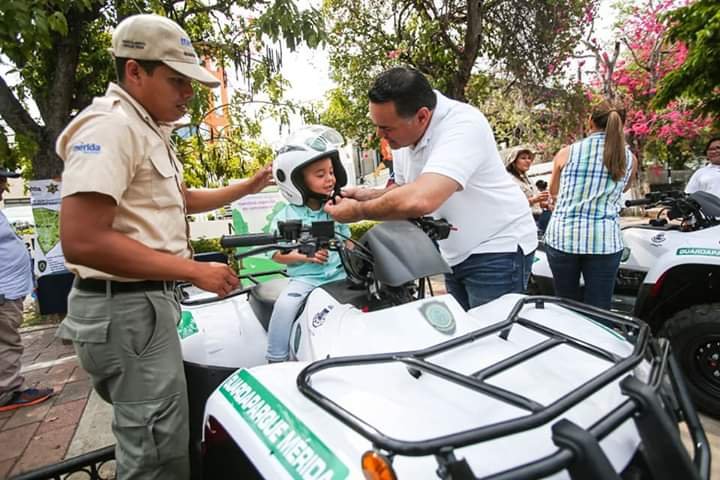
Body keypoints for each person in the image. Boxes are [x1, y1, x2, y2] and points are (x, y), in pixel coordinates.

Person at [55, 14, 272, 480]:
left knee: (158, 434)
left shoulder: (144, 127)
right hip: (127, 311)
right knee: (155, 453)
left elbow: (177, 200)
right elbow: (82, 239)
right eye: (177, 81)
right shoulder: (111, 128)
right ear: (135, 71)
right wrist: (194, 271)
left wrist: (246, 187)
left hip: (141, 307)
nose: (188, 94)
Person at [324, 67, 538, 310]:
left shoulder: (463, 125)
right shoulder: (403, 137)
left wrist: (359, 212)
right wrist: (364, 195)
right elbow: (407, 190)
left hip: (498, 248)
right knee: (465, 335)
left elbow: (420, 200)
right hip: (455, 253)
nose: (379, 135)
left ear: (422, 116)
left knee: (491, 339)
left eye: (387, 128)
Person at [267, 126, 351, 362]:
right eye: (320, 174)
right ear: (297, 181)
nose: (330, 179)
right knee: (284, 307)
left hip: (339, 276)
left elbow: (348, 241)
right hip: (306, 280)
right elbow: (277, 255)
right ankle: (276, 358)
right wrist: (306, 256)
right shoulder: (287, 216)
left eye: (331, 172)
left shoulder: (335, 209)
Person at [544, 99, 637, 310]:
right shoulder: (629, 158)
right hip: (604, 242)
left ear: (590, 121)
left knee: (565, 305)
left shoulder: (567, 153)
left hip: (563, 238)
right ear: (620, 124)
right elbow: (622, 189)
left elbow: (554, 192)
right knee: (599, 307)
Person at [0, 168, 54, 412]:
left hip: (9, 290)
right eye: (0, 181)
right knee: (6, 342)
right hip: (3, 294)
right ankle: (6, 392)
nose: (4, 186)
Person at [503, 145, 552, 233]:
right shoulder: (509, 180)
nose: (528, 161)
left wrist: (545, 203)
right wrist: (535, 199)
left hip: (537, 217)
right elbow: (512, 205)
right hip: (525, 221)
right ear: (513, 161)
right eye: (523, 158)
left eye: (529, 158)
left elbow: (537, 202)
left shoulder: (527, 178)